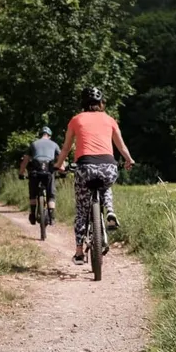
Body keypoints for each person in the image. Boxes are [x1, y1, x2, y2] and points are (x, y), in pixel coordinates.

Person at [55, 87, 133, 265]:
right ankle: (110, 211)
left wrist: (59, 165)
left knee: (82, 210)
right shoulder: (110, 120)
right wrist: (129, 160)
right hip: (108, 166)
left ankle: (79, 251)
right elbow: (121, 146)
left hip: (85, 167)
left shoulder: (76, 120)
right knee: (106, 186)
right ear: (101, 103)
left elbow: (66, 148)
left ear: (83, 104)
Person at [18, 125, 60, 225]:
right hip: (48, 173)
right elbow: (61, 161)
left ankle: (32, 214)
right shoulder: (54, 144)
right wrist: (63, 172)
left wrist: (21, 173)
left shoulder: (33, 144)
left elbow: (25, 161)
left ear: (40, 135)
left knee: (33, 193)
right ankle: (52, 216)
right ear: (49, 136)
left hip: (35, 173)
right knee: (51, 195)